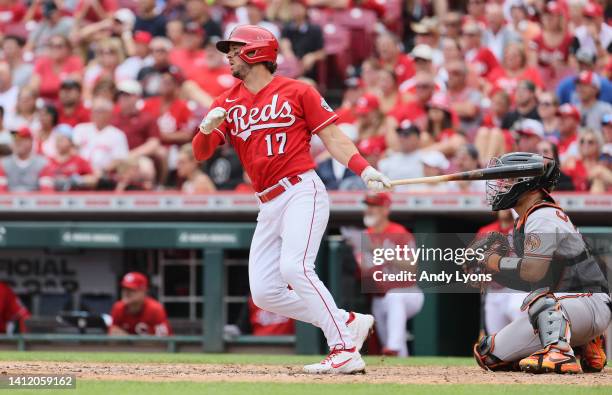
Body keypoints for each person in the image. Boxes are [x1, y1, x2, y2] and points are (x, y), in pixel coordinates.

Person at [193, 25, 391, 374]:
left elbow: (332, 137)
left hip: (301, 189)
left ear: (256, 52)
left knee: (294, 267)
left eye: (236, 49)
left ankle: (344, 348)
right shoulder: (226, 102)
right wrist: (206, 129)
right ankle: (346, 321)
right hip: (268, 202)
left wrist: (364, 169)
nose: (229, 55)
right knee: (265, 292)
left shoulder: (298, 91)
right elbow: (200, 154)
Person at [472, 152, 610, 374]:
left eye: (508, 179)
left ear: (528, 183)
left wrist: (495, 261)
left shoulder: (542, 215)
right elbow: (528, 278)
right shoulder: (525, 219)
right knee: (489, 354)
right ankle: (581, 344)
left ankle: (562, 353)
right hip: (566, 306)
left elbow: (533, 272)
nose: (502, 185)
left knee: (539, 299)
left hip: (589, 301)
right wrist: (490, 269)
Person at [359, 192, 423, 356]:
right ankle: (399, 360)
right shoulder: (366, 235)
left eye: (374, 207)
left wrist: (383, 253)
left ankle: (394, 346)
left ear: (385, 210)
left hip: (408, 293)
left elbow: (412, 267)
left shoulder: (399, 232)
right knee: (390, 345)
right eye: (368, 206)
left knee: (394, 297)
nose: (370, 210)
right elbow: (364, 270)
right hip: (380, 297)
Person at [476, 210, 525, 335]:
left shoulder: (520, 229)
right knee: (495, 340)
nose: (504, 209)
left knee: (521, 334)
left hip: (516, 291)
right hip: (494, 291)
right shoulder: (486, 230)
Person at [73, 97, 129, 175]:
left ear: (109, 114)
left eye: (99, 111)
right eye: (93, 110)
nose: (94, 114)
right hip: (78, 171)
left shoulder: (118, 135)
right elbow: (73, 151)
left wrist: (102, 171)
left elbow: (119, 159)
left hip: (102, 174)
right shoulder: (80, 128)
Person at [109, 272, 172, 336]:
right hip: (129, 346)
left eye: (132, 289)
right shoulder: (118, 308)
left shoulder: (155, 309)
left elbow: (165, 339)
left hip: (150, 346)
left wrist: (130, 339)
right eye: (124, 289)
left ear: (144, 291)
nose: (126, 293)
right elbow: (112, 334)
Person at [39, 124, 97, 192]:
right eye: (57, 139)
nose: (58, 142)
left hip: (74, 199)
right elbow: (43, 181)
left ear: (70, 142)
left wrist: (78, 180)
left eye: (62, 139)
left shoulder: (79, 160)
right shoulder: (48, 161)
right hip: (54, 199)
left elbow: (94, 179)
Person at [378, 121, 423, 192]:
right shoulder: (389, 158)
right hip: (394, 200)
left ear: (417, 137)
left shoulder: (428, 158)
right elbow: (379, 185)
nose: (401, 138)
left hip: (420, 200)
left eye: (406, 135)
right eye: (400, 134)